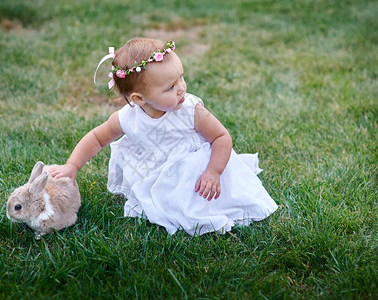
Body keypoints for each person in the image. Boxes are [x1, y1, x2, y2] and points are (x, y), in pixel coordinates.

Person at [50, 38, 278, 235]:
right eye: (170, 87)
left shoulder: (191, 110)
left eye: (181, 77)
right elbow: (97, 138)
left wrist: (213, 171)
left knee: (197, 207)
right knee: (161, 202)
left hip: (194, 169)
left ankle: (193, 203)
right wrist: (72, 166)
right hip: (155, 167)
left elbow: (221, 137)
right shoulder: (128, 118)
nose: (181, 88)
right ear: (140, 99)